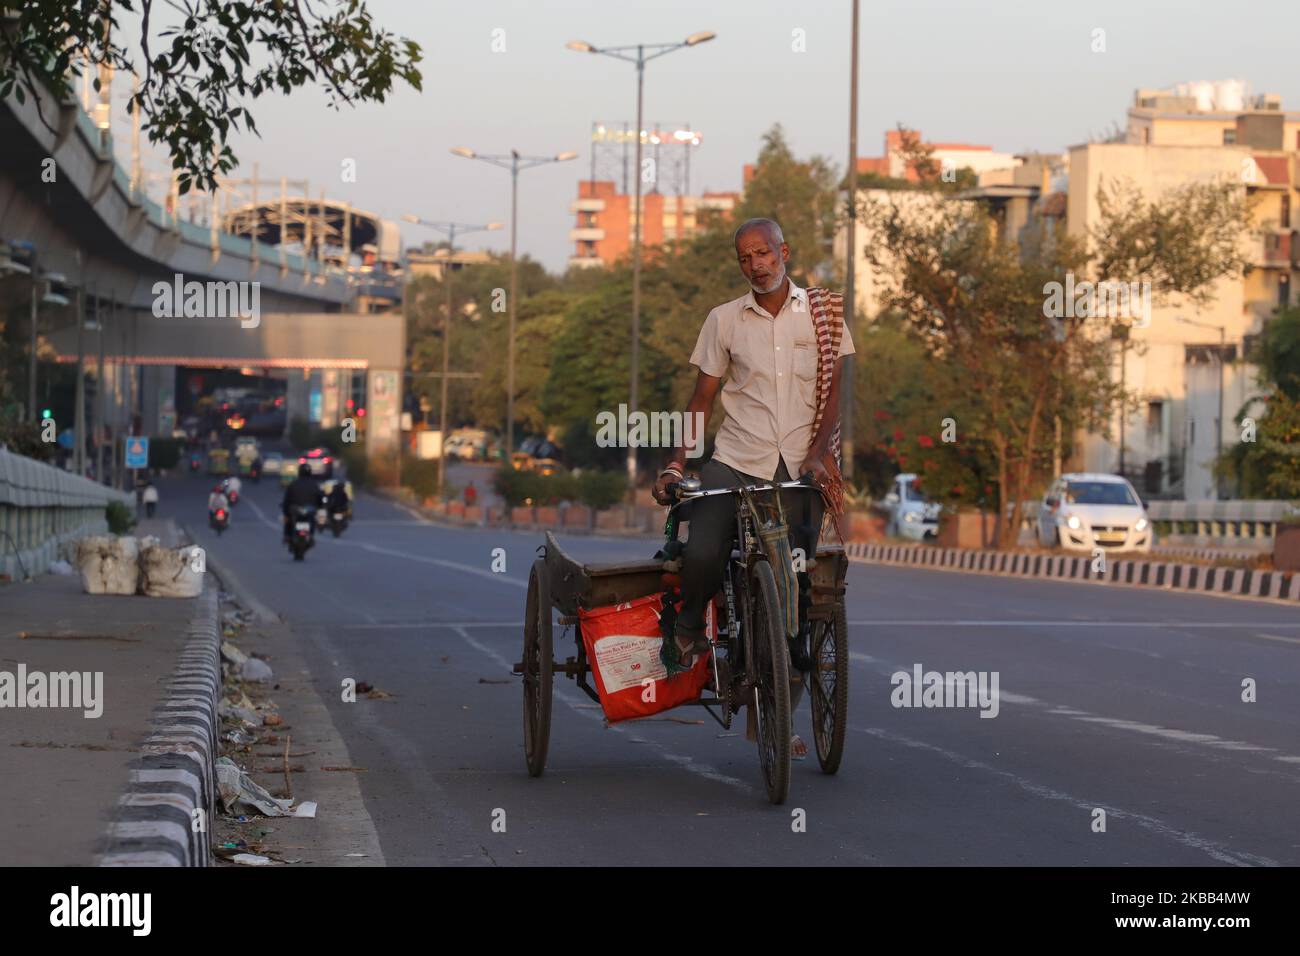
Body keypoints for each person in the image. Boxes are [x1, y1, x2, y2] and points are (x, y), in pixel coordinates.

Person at [651, 217, 855, 761]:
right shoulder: (723, 320)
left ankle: (781, 712)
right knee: (705, 546)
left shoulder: (822, 314)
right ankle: (691, 624)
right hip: (736, 462)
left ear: (783, 252)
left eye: (763, 252)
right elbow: (702, 400)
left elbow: (836, 391)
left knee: (796, 594)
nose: (755, 263)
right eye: (745, 257)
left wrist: (819, 453)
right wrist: (676, 463)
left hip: (798, 471)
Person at [281, 463, 323, 541]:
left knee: (288, 518)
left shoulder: (294, 483)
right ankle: (310, 535)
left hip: (297, 508)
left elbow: (287, 499)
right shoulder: (314, 484)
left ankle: (287, 535)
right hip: (307, 509)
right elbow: (320, 497)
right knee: (289, 518)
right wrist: (320, 506)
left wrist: (285, 509)